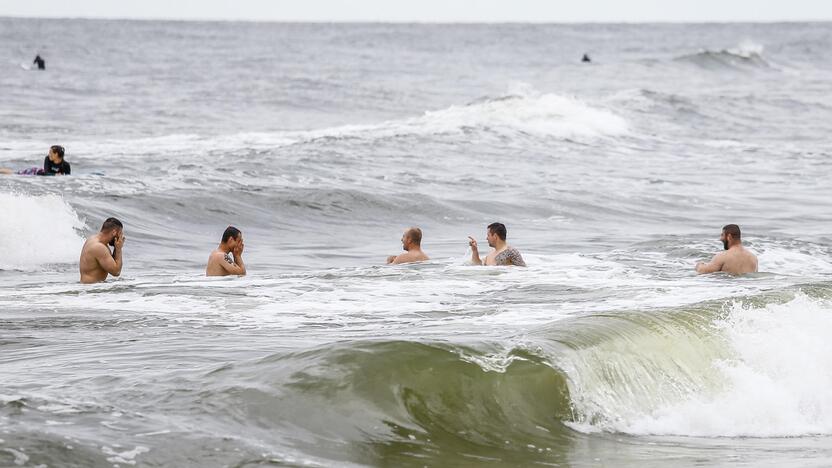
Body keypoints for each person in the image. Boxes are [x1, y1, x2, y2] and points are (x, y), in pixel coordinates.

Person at [79, 218, 125, 284]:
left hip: (89, 288)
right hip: (91, 290)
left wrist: (116, 247)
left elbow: (113, 263)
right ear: (114, 232)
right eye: (120, 234)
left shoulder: (93, 239)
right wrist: (119, 249)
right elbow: (116, 272)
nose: (120, 237)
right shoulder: (99, 247)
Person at [0, 145, 70, 176]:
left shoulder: (66, 165)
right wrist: (55, 175)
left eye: (51, 153)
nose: (49, 154)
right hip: (35, 172)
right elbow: (46, 172)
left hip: (43, 178)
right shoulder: (47, 159)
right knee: (15, 173)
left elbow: (67, 178)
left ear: (56, 154)